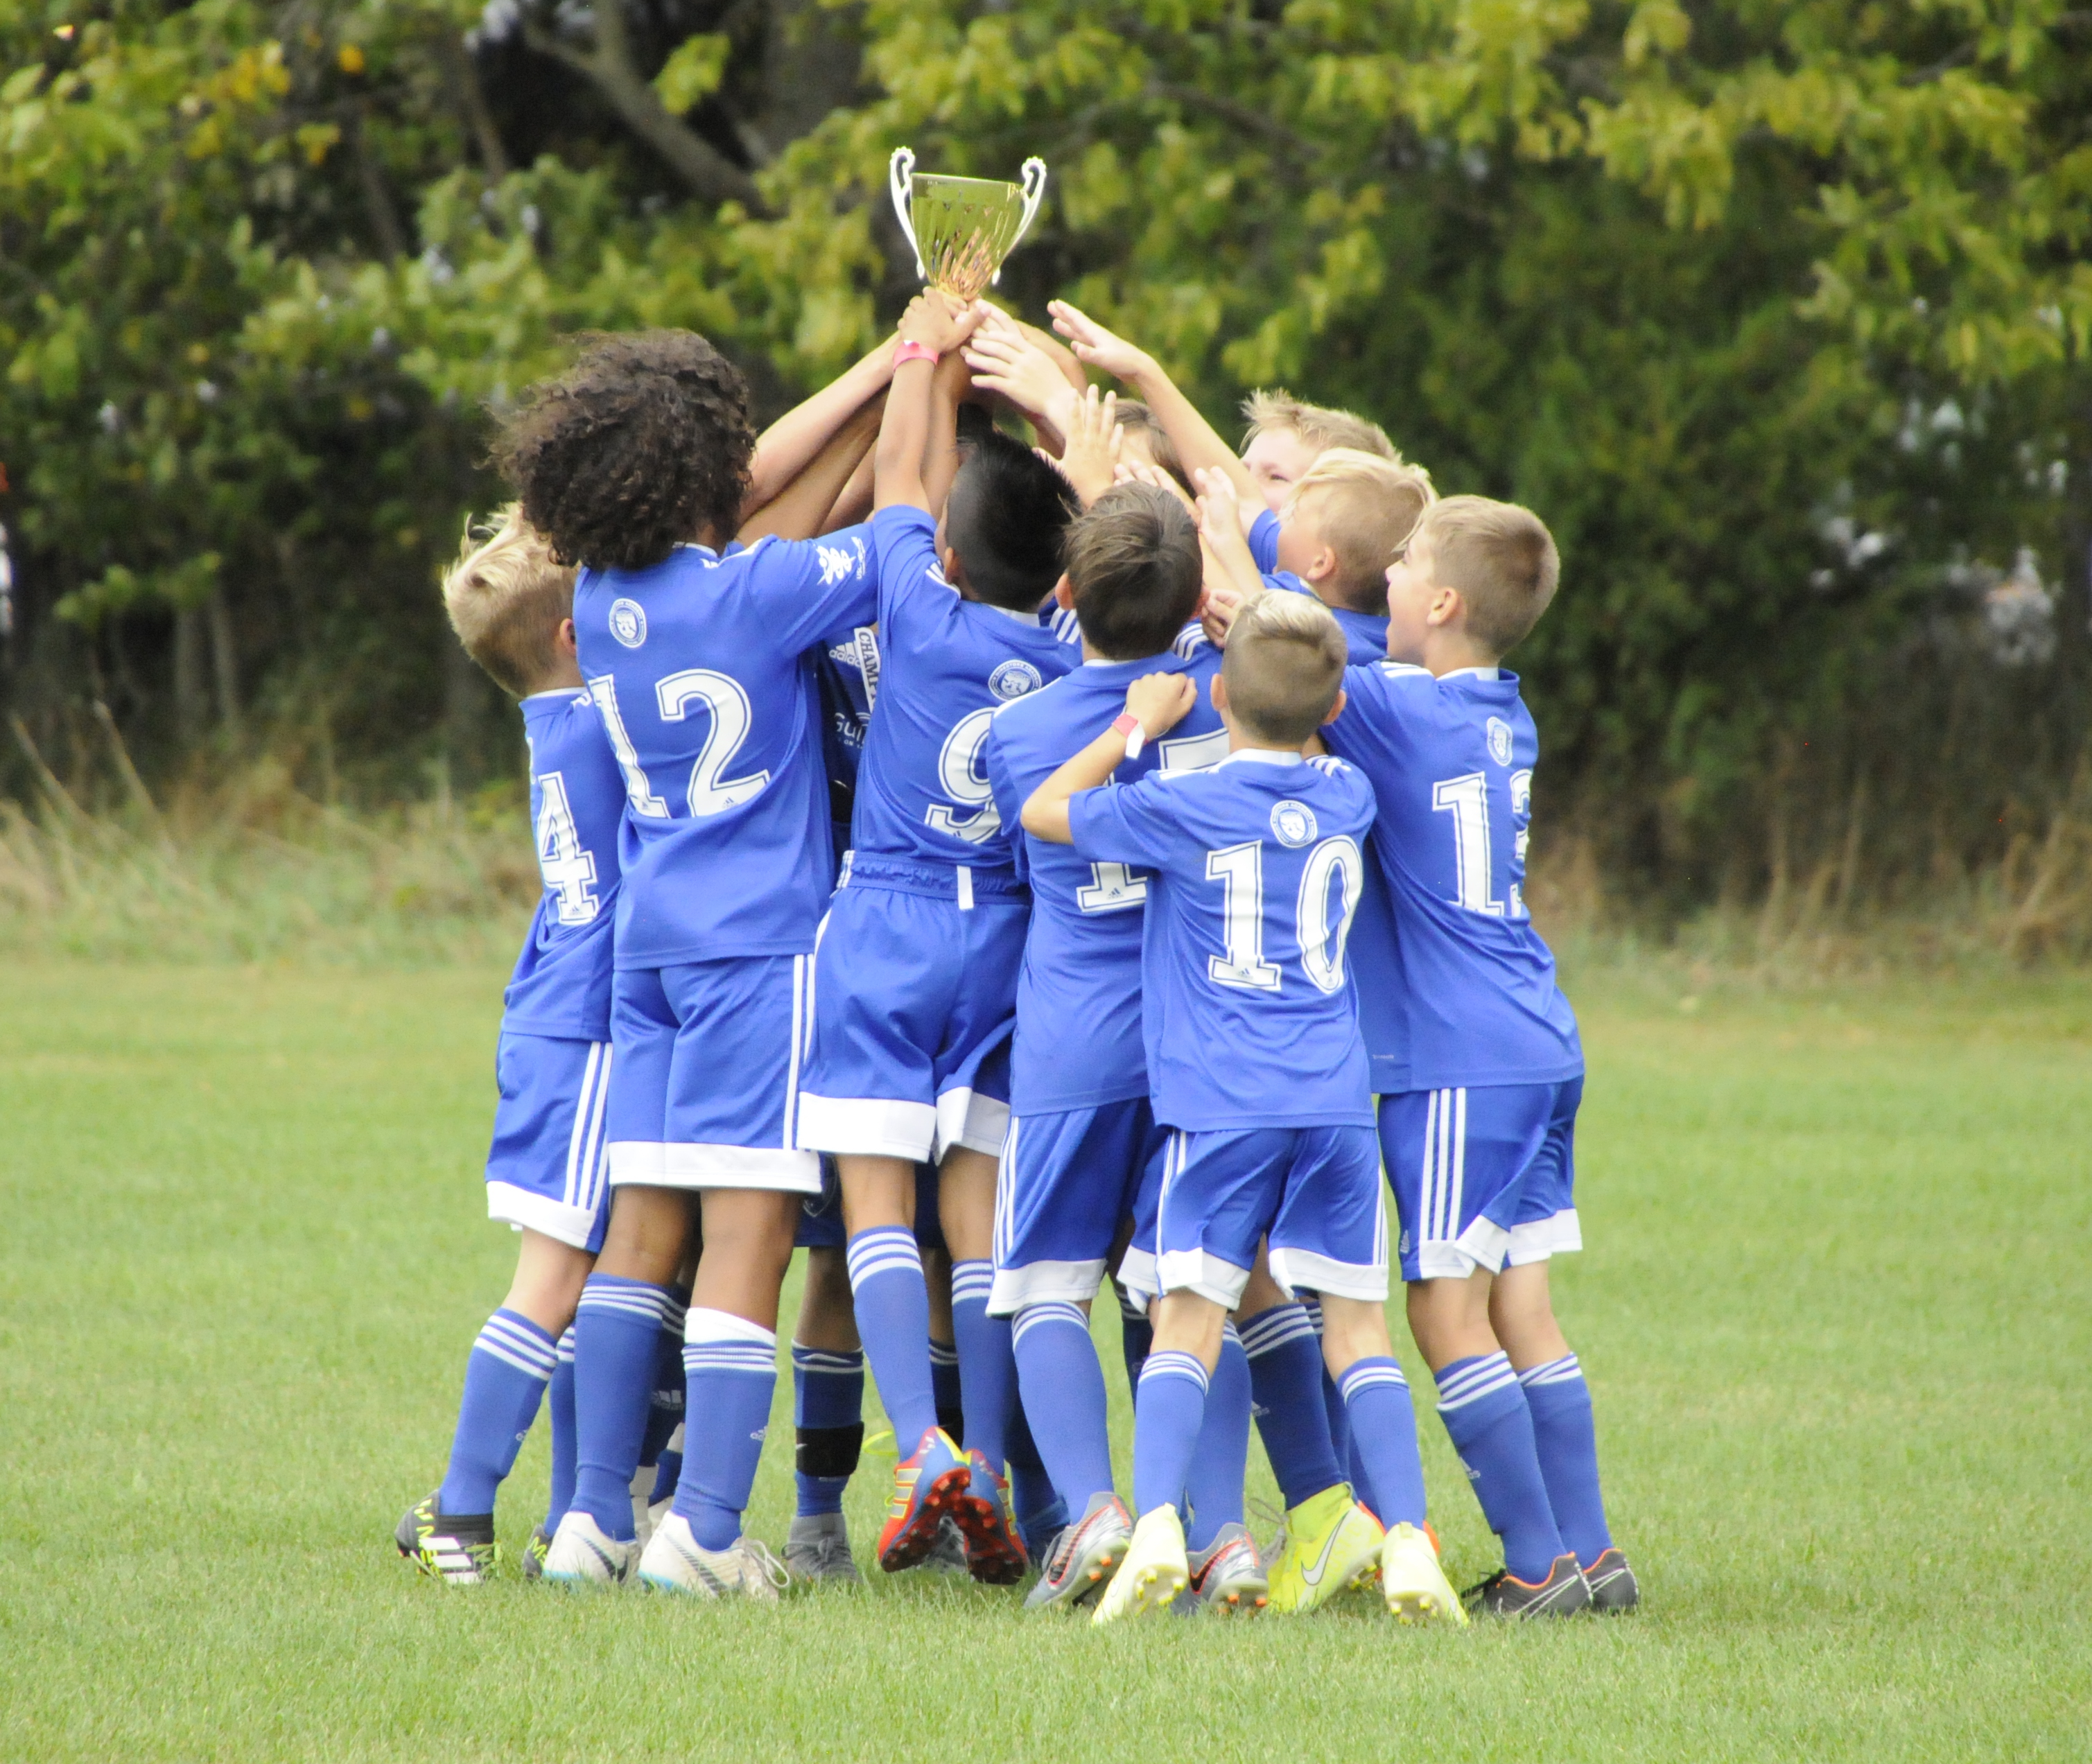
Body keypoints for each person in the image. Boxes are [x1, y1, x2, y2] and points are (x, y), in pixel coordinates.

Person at [499, 329, 882, 1598]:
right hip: (756, 954)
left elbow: (761, 494)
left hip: (648, 954)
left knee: (643, 1236)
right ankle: (708, 1534)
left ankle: (592, 1521)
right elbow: (890, 534)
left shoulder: (598, 601)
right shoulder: (755, 592)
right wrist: (912, 389)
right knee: (750, 1241)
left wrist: (890, 357)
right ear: (707, 480)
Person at [1019, 588, 1464, 1626]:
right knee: (1357, 1329)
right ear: (1334, 705)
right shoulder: (1349, 792)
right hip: (1332, 1102)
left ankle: (1163, 1525)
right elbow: (1313, 717)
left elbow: (1043, 809)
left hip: (1219, 1104)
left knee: (1186, 1315)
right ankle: (1403, 1534)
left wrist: (1133, 724)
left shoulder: (1184, 805)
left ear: (1216, 695)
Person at [795, 289, 1084, 1584]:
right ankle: (1008, 1481)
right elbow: (1097, 527)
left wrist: (925, 346)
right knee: (980, 1233)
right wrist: (1056, 409)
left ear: (950, 559)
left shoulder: (916, 605)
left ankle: (922, 1447)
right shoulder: (1077, 646)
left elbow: (905, 471)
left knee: (873, 1211)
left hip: (889, 924)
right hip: (1007, 943)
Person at [1319, 494, 1634, 1618]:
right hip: (1538, 1035)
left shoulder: (1396, 713)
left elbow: (1269, 629)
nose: (1383, 577)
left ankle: (1537, 1563)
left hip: (1457, 1055)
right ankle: (1592, 1553)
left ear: (1441, 602)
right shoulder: (1502, 710)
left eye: (1399, 563)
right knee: (1522, 1309)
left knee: (1443, 1311)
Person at [982, 479, 1250, 1612]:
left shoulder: (1019, 731)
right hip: (1199, 1042)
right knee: (1186, 1293)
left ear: (1063, 596)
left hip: (1072, 1042)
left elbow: (1016, 868)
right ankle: (1219, 1530)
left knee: (1044, 1281)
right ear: (1196, 602)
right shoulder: (1236, 712)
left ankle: (1092, 1510)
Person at [394, 507, 623, 1585]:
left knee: (579, 1286)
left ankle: (569, 1517)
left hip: (565, 1015)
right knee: (552, 1276)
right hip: (582, 1031)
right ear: (575, 637)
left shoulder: (556, 718)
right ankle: (460, 1508)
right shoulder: (599, 727)